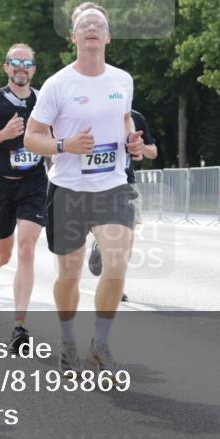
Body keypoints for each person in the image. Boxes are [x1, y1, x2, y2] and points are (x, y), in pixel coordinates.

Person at [24, 2, 144, 379]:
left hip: (112, 185)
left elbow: (124, 117)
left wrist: (132, 141)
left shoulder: (122, 80)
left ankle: (101, 344)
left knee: (117, 263)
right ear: (74, 37)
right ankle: (67, 340)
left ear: (108, 37)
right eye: (84, 25)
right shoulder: (58, 85)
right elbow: (31, 137)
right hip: (68, 188)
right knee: (70, 274)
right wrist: (64, 146)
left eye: (99, 25)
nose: (92, 29)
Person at [0, 44, 49, 354]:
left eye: (26, 63)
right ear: (6, 68)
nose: (20, 67)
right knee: (3, 254)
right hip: (1, 185)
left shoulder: (43, 99)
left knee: (27, 249)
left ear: (33, 69)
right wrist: (3, 134)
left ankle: (19, 326)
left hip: (34, 184)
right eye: (15, 62)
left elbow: (57, 134)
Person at [87, 108, 158, 304]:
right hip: (99, 184)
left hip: (128, 184)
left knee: (127, 240)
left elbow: (153, 152)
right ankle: (101, 245)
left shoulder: (136, 117)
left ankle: (117, 286)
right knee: (110, 239)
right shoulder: (93, 113)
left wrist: (139, 145)